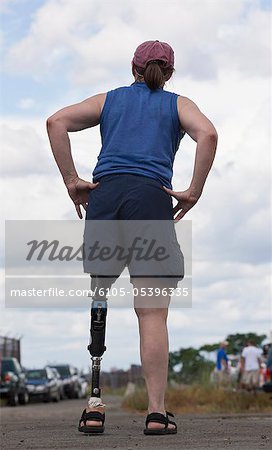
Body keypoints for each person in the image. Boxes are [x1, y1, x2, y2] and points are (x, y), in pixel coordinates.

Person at [47, 40, 217, 435]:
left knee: (99, 298)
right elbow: (207, 135)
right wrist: (194, 190)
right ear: (169, 72)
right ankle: (156, 414)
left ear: (133, 68)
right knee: (152, 313)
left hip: (106, 198)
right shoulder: (178, 104)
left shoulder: (109, 100)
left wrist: (73, 182)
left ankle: (93, 406)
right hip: (150, 198)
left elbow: (56, 122)